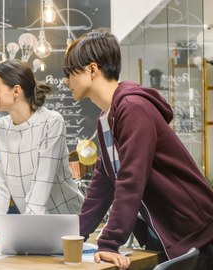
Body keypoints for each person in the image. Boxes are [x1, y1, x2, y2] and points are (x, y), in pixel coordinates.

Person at [63, 28, 213, 270]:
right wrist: (73, 236)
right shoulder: (107, 117)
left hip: (193, 233)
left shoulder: (133, 108)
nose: (66, 81)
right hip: (168, 234)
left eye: (69, 72)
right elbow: (104, 183)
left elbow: (131, 178)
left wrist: (109, 243)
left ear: (92, 69)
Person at [0, 59, 84, 237]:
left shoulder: (51, 122)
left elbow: (42, 182)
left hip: (67, 222)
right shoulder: (0, 127)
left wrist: (27, 227)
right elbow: (0, 185)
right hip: (32, 225)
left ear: (16, 90)